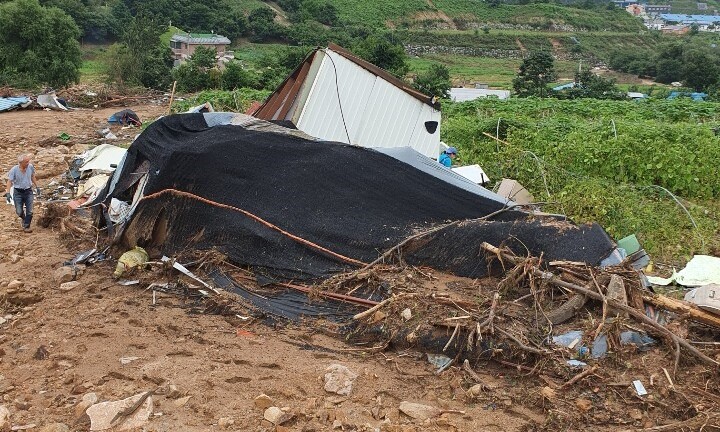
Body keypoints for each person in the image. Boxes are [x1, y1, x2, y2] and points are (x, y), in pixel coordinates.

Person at [5, 153, 40, 233]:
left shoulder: (30, 167)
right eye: (26, 162)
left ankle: (26, 226)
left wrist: (37, 186)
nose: (28, 163)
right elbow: (9, 181)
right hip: (18, 193)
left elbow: (32, 176)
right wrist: (8, 193)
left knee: (30, 211)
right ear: (20, 163)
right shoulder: (14, 170)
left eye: (28, 161)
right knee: (19, 211)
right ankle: (24, 219)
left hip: (28, 191)